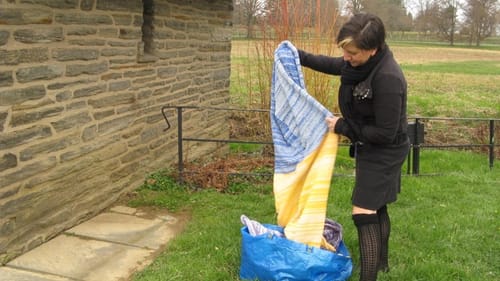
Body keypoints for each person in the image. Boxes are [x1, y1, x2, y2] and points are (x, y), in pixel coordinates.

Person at [297, 13, 410, 281]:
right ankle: (381, 264)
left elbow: (384, 133)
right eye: (345, 51)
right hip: (371, 144)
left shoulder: (388, 78)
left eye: (353, 53)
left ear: (373, 49)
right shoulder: (361, 64)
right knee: (378, 207)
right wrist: (298, 55)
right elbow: (333, 64)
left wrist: (342, 127)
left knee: (363, 212)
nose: (346, 57)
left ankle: (368, 277)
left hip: (385, 150)